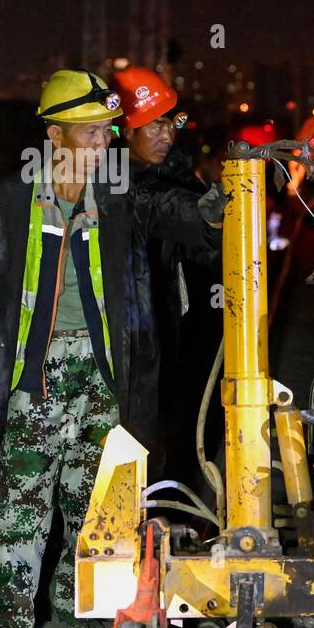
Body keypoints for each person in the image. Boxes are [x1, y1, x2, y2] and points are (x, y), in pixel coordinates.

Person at [0, 68, 226, 628]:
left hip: (106, 379)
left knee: (94, 510)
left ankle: (78, 619)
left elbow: (184, 220)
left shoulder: (126, 196)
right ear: (55, 136)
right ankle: (6, 627)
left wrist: (216, 213)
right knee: (21, 507)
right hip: (36, 376)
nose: (104, 146)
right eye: (91, 134)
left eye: (107, 134)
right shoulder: (11, 201)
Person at [112, 65, 221, 486]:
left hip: (169, 333)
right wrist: (204, 218)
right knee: (137, 442)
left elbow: (193, 224)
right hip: (130, 345)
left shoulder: (172, 171)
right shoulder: (115, 183)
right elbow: (164, 207)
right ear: (125, 130)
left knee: (166, 431)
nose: (168, 135)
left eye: (170, 124)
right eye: (153, 127)